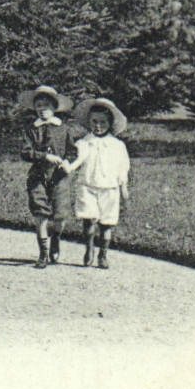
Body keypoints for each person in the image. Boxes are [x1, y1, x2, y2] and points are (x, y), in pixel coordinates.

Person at [61, 97, 131, 269]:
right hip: (87, 185)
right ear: (89, 122)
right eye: (94, 122)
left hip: (110, 188)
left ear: (110, 123)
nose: (98, 126)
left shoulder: (117, 145)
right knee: (89, 218)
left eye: (102, 122)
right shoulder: (84, 142)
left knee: (107, 222)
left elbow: (123, 166)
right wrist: (67, 168)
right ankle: (89, 249)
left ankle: (103, 254)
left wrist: (123, 185)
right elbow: (77, 159)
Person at [17, 85, 77, 268]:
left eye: (47, 105)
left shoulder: (63, 129)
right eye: (39, 106)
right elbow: (25, 152)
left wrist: (68, 162)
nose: (43, 109)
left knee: (60, 214)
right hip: (38, 176)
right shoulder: (31, 129)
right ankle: (43, 253)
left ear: (54, 107)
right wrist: (44, 156)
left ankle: (56, 238)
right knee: (40, 212)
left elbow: (72, 151)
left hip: (59, 176)